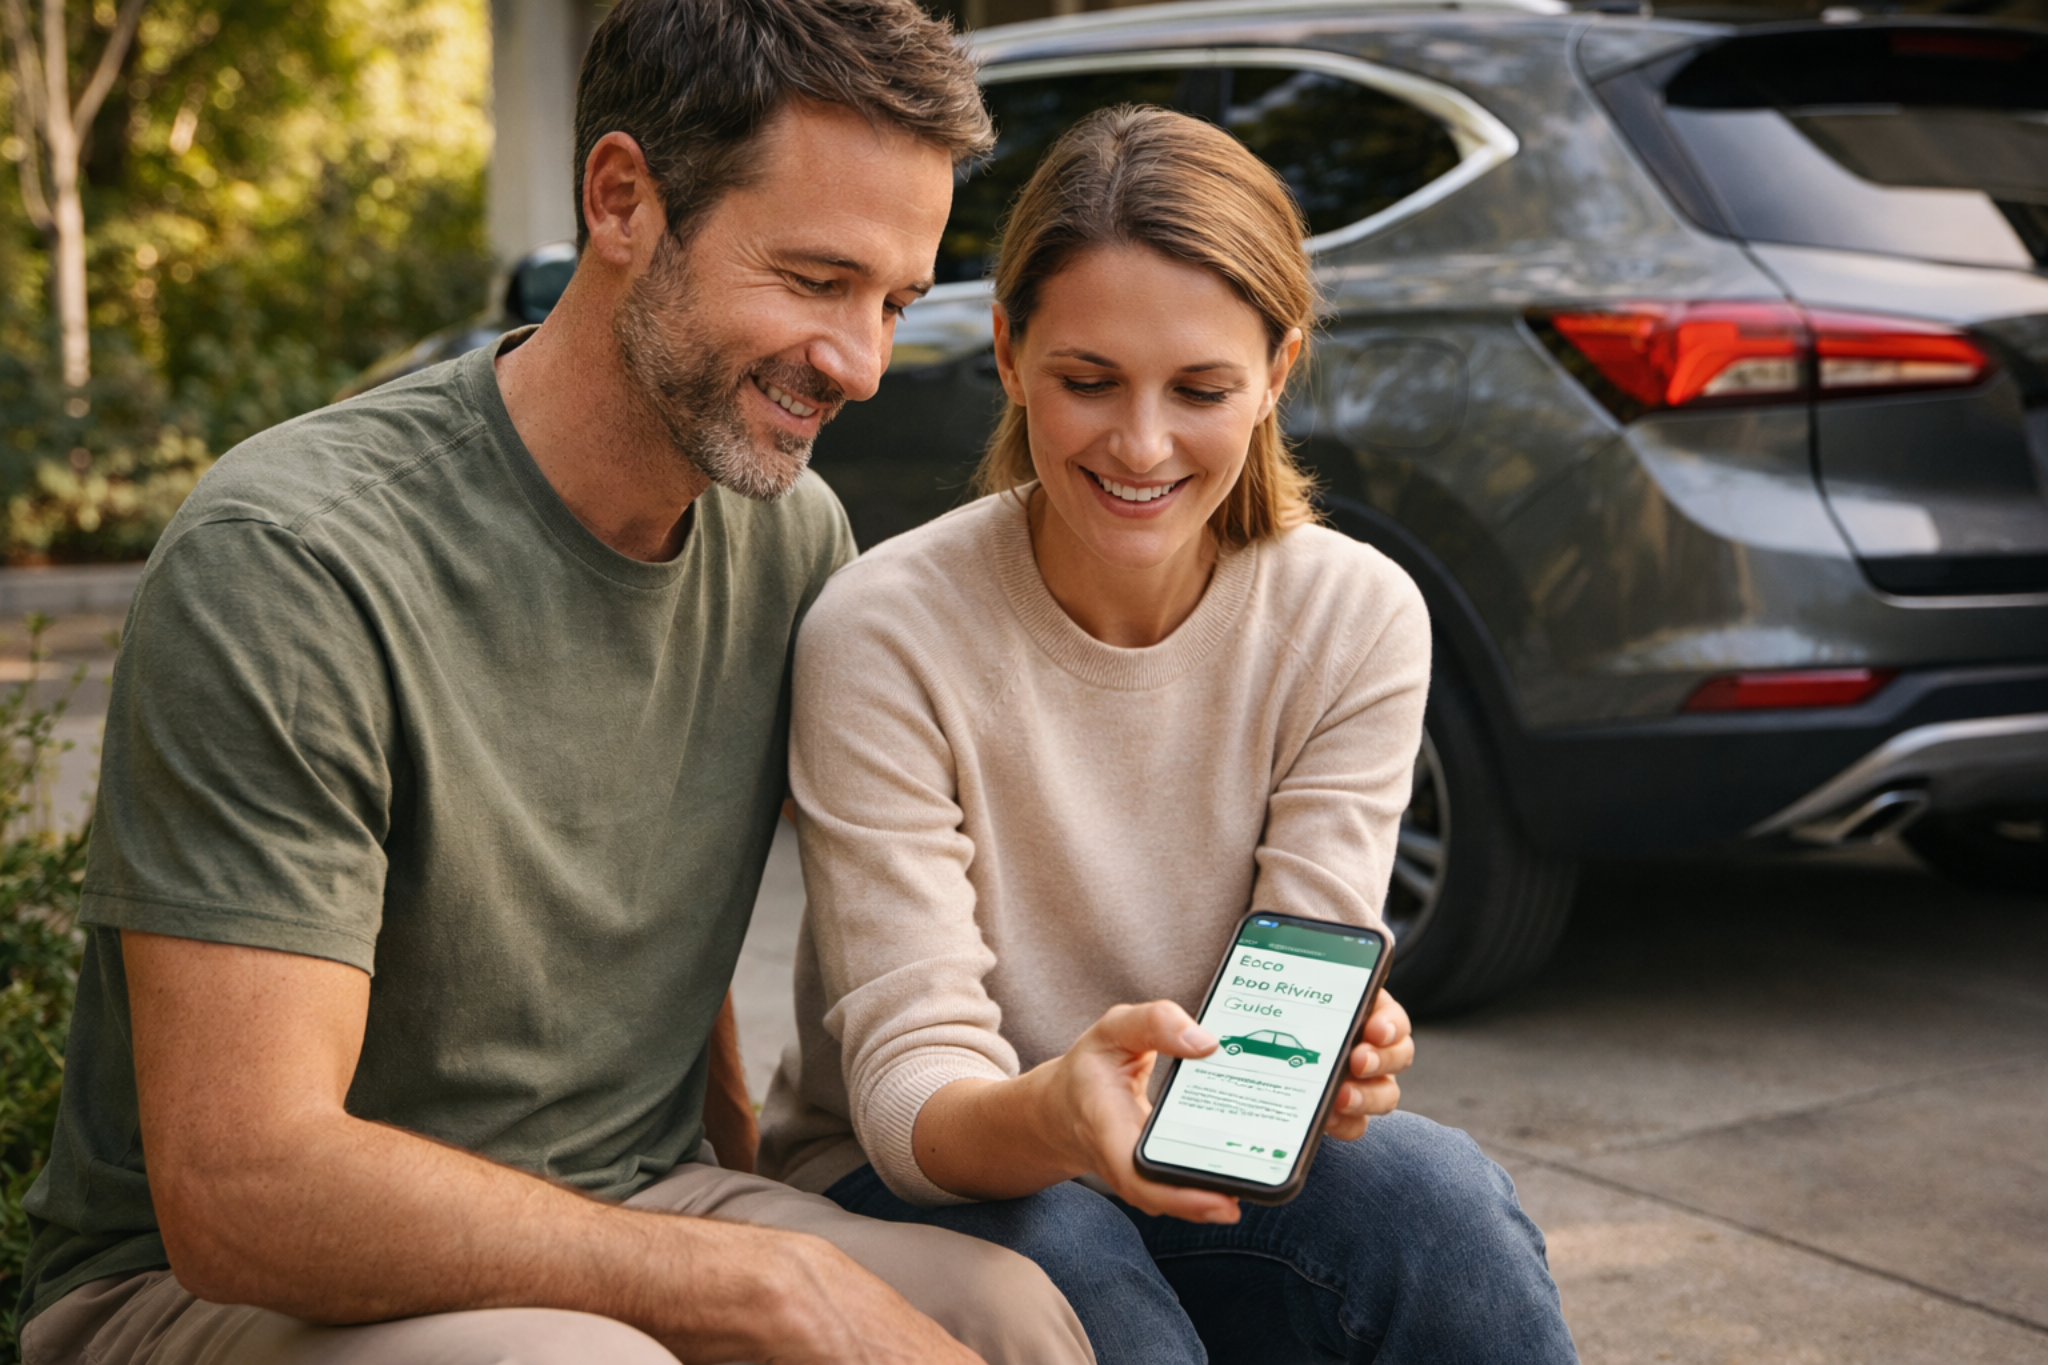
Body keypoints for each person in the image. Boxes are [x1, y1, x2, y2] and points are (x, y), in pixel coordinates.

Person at [12, 2, 1100, 1362]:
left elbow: (646, 886)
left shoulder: (788, 538)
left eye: (891, 300)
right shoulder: (293, 560)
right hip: (215, 1288)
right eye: (816, 282)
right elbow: (245, 1188)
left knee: (1009, 1315)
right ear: (622, 200)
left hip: (627, 1197)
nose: (862, 364)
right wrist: (738, 1281)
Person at [758, 106, 1580, 1363]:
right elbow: (906, 1096)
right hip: (933, 1176)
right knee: (1082, 1282)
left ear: (1275, 375)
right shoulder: (887, 630)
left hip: (1200, 1144)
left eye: (1199, 389)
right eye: (1087, 381)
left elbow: (1283, 1010)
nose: (1139, 445)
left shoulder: (1351, 617)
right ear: (1006, 351)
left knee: (1438, 1207)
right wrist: (1065, 1112)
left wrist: (1321, 1070)